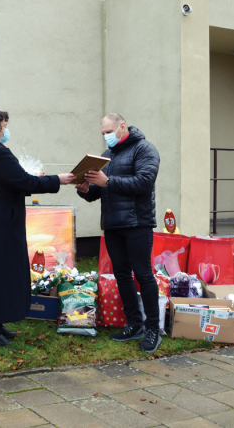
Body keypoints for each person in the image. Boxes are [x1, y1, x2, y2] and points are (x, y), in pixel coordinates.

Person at [0, 109, 76, 345]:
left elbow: (7, 182)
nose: (6, 130)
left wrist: (33, 178)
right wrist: (58, 179)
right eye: (4, 125)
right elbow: (23, 181)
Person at [76, 113, 161, 353]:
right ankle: (134, 324)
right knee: (122, 275)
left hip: (138, 224)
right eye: (103, 134)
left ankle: (152, 328)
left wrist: (107, 182)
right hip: (112, 225)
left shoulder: (145, 149)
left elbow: (144, 182)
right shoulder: (106, 156)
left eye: (109, 132)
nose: (106, 137)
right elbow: (96, 192)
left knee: (144, 275)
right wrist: (84, 189)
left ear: (122, 126)